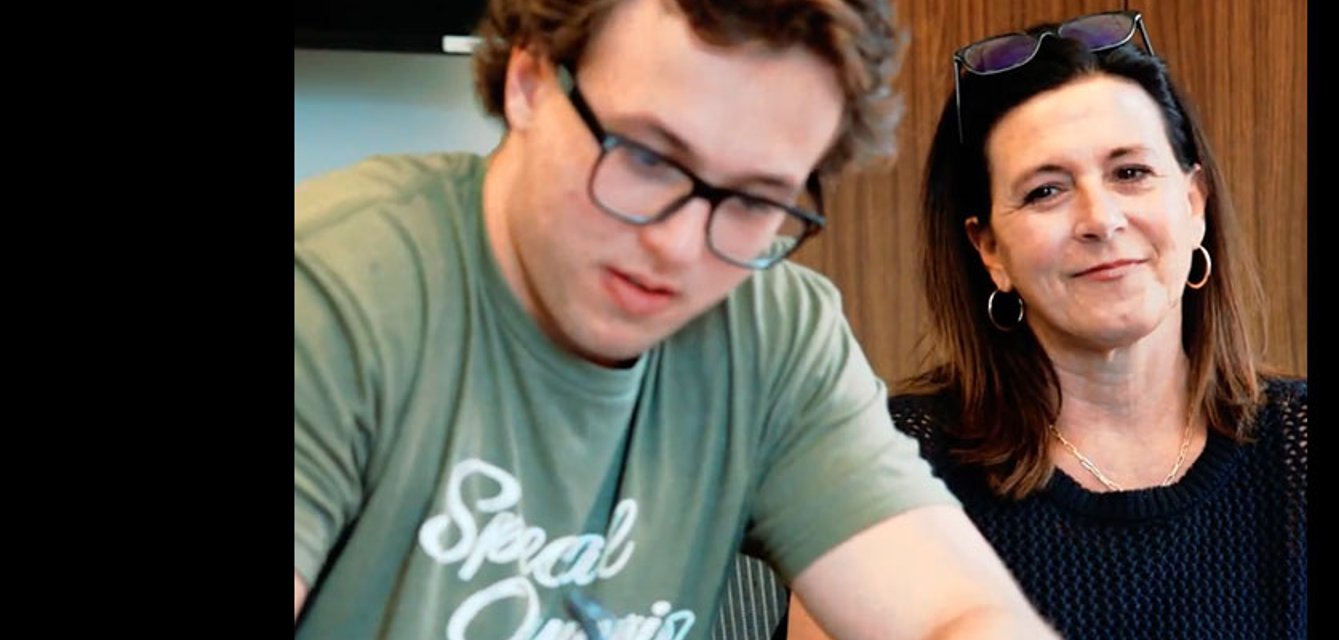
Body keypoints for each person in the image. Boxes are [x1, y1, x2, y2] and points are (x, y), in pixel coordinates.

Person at [293, 0, 1064, 638]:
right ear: (528, 79)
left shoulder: (773, 335)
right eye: (647, 157)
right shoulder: (332, 289)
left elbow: (953, 617)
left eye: (756, 200)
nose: (677, 244)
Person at [786, 9, 1308, 639]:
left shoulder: (1298, 447)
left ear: (1194, 204)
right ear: (990, 250)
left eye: (1131, 173)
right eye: (1045, 191)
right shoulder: (891, 466)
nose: (1100, 219)